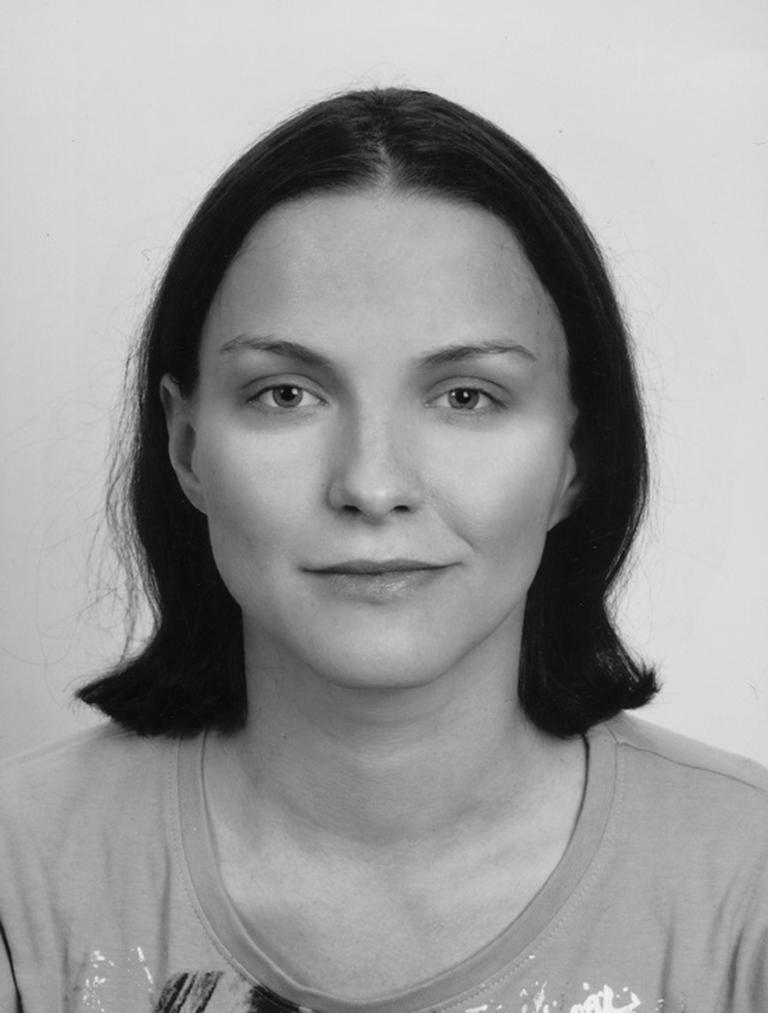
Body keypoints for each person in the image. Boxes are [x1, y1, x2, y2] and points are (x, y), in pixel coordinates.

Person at [0, 87, 766, 1013]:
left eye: (466, 396)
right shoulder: (19, 871)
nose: (370, 485)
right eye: (286, 393)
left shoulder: (748, 884)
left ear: (576, 457)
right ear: (187, 445)